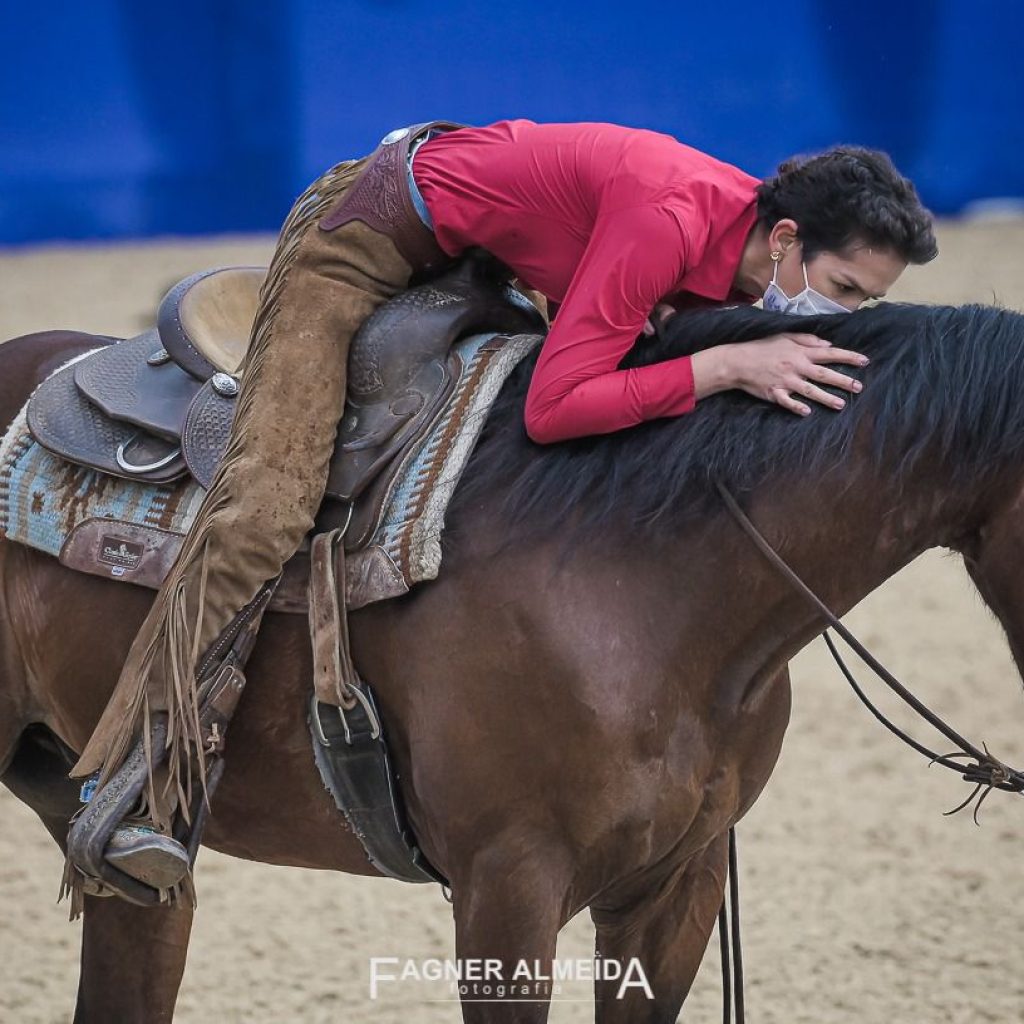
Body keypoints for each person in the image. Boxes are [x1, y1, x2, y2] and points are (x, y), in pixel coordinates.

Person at [67, 119, 937, 898]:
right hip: (369, 233)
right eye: (842, 287)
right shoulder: (668, 222)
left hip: (494, 257)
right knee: (269, 504)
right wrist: (722, 366)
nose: (845, 314)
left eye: (865, 301)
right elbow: (555, 409)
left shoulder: (751, 257)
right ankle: (136, 779)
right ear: (784, 238)